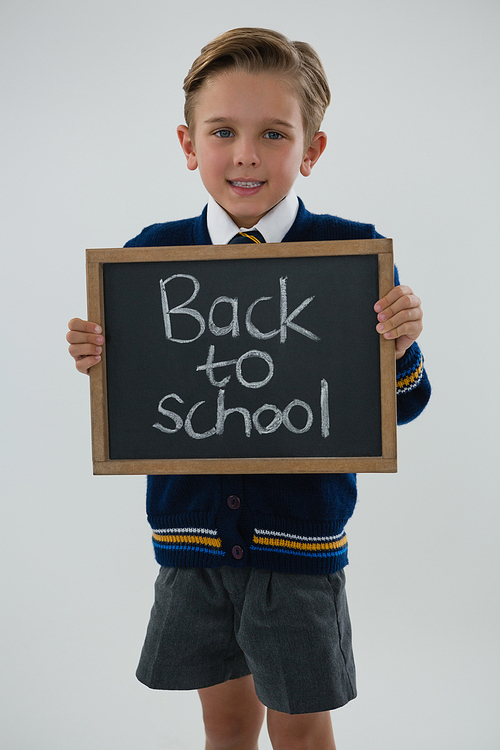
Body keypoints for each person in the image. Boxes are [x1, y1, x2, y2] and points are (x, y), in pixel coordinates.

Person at [67, 27, 430, 750]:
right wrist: (101, 357)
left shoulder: (351, 255)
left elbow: (405, 405)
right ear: (187, 142)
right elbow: (140, 399)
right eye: (223, 131)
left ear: (311, 148)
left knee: (300, 729)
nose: (245, 155)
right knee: (225, 725)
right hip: (193, 545)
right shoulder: (146, 259)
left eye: (273, 134)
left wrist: (402, 345)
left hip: (299, 553)